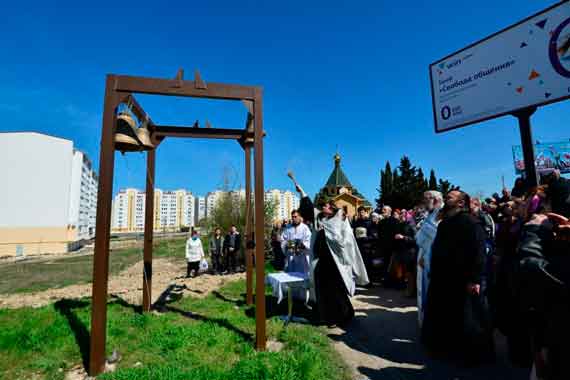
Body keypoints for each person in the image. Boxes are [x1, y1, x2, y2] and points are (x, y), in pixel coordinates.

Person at [421, 190, 492, 365]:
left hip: (463, 279)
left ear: (461, 203)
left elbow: (479, 252)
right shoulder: (445, 223)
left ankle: (472, 357)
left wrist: (475, 279)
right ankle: (445, 350)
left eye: (450, 197)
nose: (446, 199)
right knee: (444, 317)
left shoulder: (471, 222)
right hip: (443, 278)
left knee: (468, 319)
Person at [294, 182, 369, 327]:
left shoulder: (340, 221)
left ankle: (342, 316)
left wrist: (331, 236)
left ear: (332, 209)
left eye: (327, 206)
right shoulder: (320, 219)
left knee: (336, 291)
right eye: (323, 206)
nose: (323, 207)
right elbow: (309, 209)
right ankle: (327, 316)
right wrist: (302, 192)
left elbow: (346, 241)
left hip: (335, 263)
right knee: (322, 290)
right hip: (321, 261)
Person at [416, 190, 443, 327]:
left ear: (435, 200)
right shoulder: (432, 214)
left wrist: (425, 229)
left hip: (434, 257)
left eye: (427, 200)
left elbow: (439, 236)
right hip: (425, 254)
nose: (425, 203)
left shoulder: (442, 213)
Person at [281, 210, 312, 275]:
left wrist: (301, 245)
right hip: (291, 256)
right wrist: (287, 244)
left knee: (302, 276)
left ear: (300, 217)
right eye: (292, 217)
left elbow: (309, 241)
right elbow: (283, 240)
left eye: (295, 216)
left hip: (302, 257)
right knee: (290, 276)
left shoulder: (305, 228)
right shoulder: (287, 228)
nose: (293, 218)